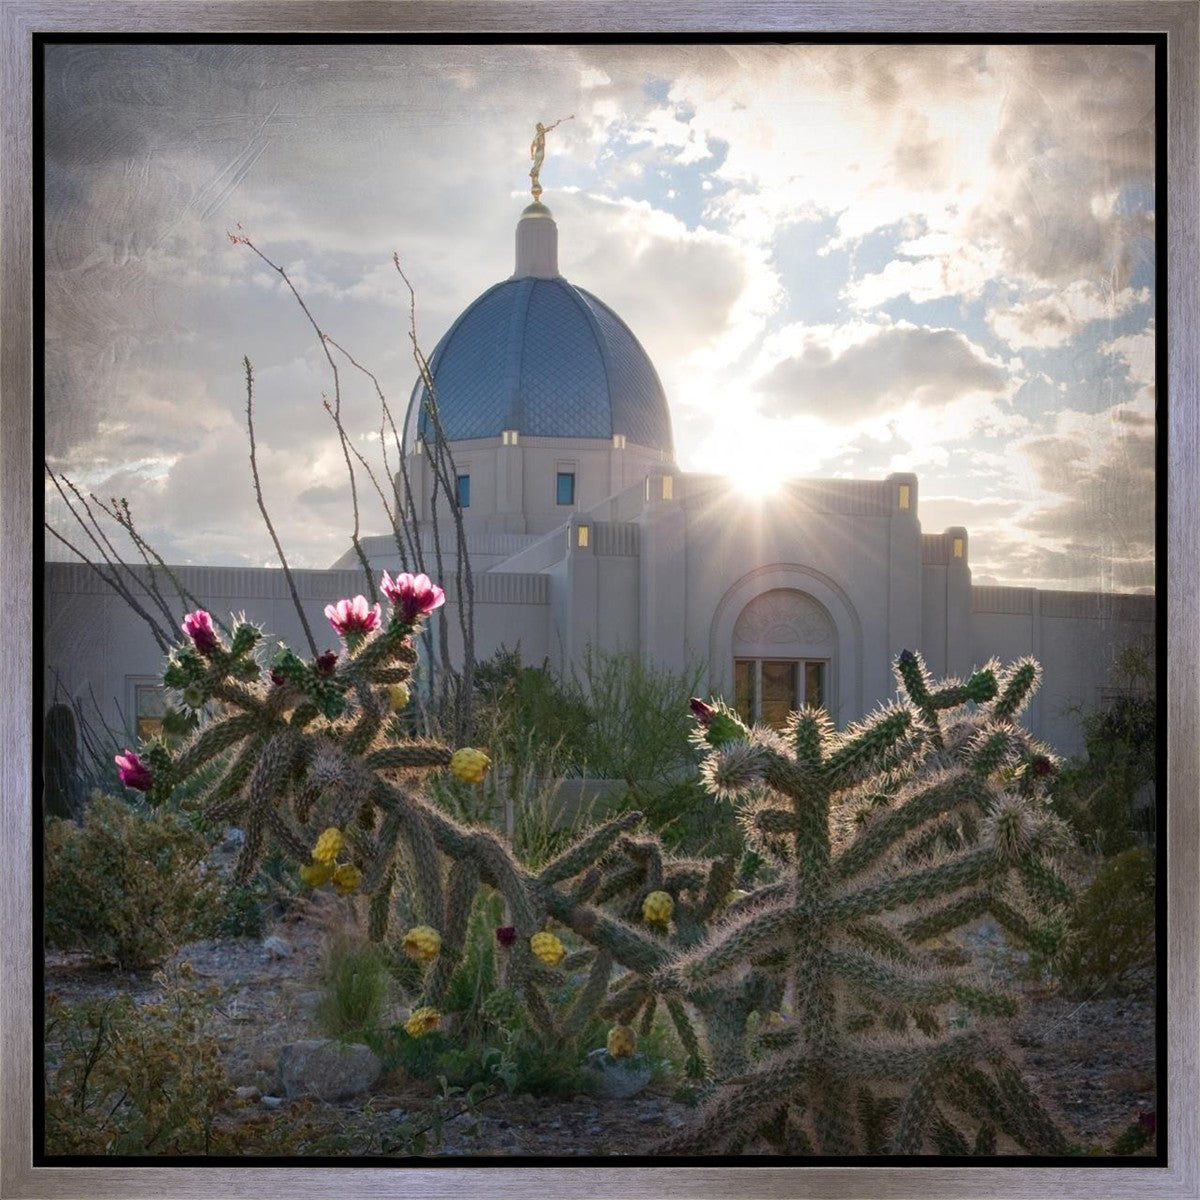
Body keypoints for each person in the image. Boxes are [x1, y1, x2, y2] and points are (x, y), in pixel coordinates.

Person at [529, 115, 573, 199]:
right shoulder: (539, 133)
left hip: (540, 150)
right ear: (539, 128)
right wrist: (556, 124)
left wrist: (532, 155)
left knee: (539, 164)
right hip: (540, 150)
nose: (542, 128)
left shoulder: (538, 135)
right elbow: (547, 130)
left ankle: (535, 179)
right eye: (541, 127)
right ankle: (534, 175)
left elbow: (532, 146)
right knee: (538, 164)